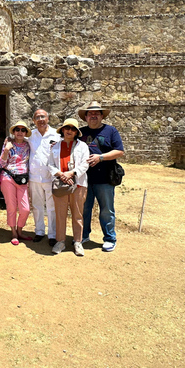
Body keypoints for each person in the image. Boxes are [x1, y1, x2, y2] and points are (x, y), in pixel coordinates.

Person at [78, 101, 125, 252]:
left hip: (105, 178)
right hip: (84, 179)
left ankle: (110, 238)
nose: (93, 116)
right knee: (84, 209)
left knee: (106, 210)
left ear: (101, 116)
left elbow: (119, 151)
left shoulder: (111, 131)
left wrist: (101, 157)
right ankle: (83, 236)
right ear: (85, 116)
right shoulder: (80, 132)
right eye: (90, 113)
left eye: (96, 113)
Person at [47, 118, 90, 256]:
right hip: (61, 184)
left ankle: (77, 242)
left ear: (76, 132)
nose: (69, 131)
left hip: (78, 184)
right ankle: (60, 241)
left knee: (77, 214)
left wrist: (71, 173)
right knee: (60, 214)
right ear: (63, 130)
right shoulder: (55, 146)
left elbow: (85, 163)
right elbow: (50, 164)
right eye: (67, 128)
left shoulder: (82, 146)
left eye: (72, 129)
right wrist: (61, 174)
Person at [27, 108, 59, 245]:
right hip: (34, 176)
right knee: (37, 206)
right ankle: (39, 231)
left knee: (51, 207)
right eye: (37, 117)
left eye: (43, 117)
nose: (40, 120)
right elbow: (15, 138)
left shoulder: (56, 134)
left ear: (48, 119)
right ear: (34, 121)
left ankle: (53, 234)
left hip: (50, 176)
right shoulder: (30, 135)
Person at [0, 120, 32, 245]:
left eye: (23, 130)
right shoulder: (8, 144)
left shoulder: (28, 145)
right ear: (13, 132)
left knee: (25, 209)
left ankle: (20, 230)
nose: (20, 132)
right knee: (11, 207)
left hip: (22, 179)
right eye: (17, 129)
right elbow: (1, 164)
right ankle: (13, 232)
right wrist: (6, 150)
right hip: (8, 177)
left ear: (25, 133)